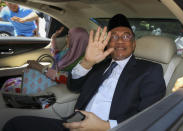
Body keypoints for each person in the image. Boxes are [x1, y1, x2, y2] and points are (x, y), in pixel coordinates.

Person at [3, 14, 166, 131]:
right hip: (75, 124)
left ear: (134, 43)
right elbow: (73, 86)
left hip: (113, 128)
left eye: (126, 36)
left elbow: (150, 115)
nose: (120, 40)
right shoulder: (100, 64)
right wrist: (87, 62)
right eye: (114, 36)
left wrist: (106, 126)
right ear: (107, 42)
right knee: (15, 124)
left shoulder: (149, 70)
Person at [1, 27, 89, 94]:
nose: (67, 38)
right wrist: (54, 37)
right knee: (9, 82)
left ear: (78, 40)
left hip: (53, 87)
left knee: (9, 87)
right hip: (47, 80)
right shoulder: (69, 51)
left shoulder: (83, 62)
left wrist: (40, 68)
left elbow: (68, 79)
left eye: (69, 36)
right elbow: (55, 54)